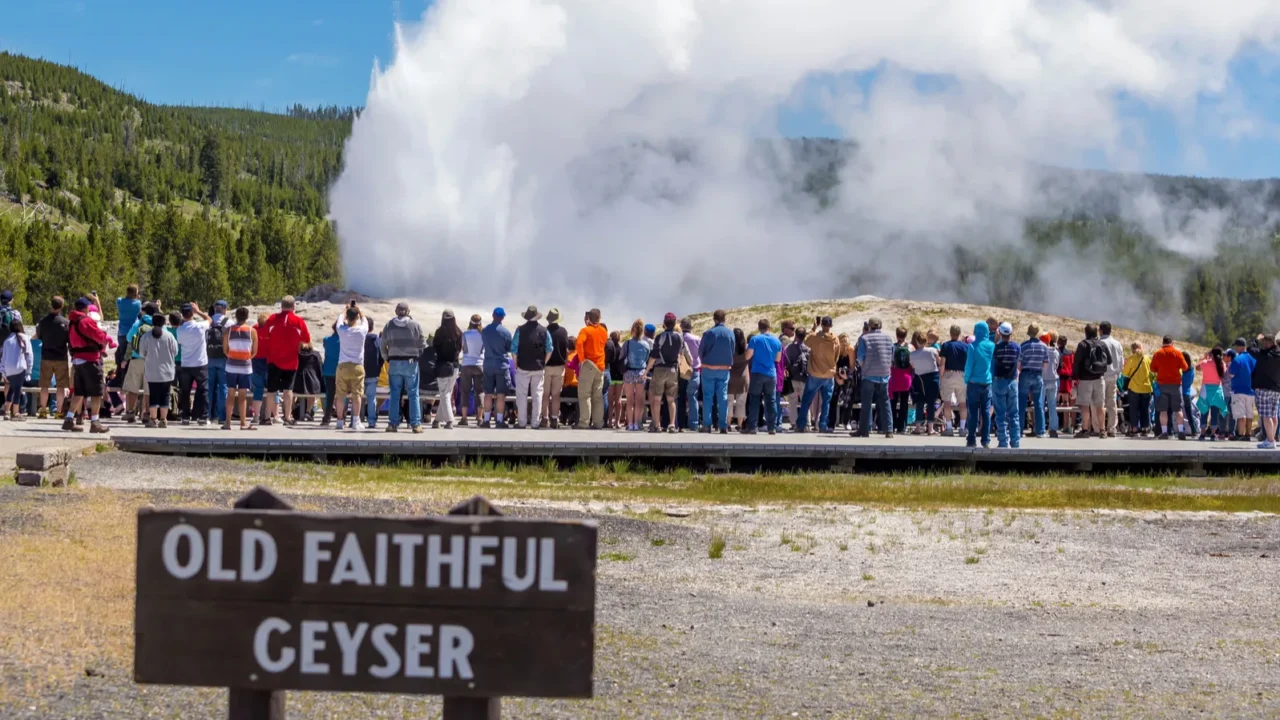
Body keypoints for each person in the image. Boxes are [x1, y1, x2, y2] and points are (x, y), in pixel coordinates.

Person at [64, 297, 113, 434]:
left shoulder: (72, 322)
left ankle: (68, 420)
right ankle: (95, 422)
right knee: (97, 392)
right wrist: (104, 335)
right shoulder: (85, 321)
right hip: (90, 360)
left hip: (77, 360)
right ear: (86, 308)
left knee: (79, 392)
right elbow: (100, 337)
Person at [261, 296, 311, 427]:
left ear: (281, 306)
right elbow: (306, 339)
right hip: (291, 361)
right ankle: (288, 417)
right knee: (288, 389)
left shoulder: (272, 319)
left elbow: (264, 335)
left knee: (271, 389)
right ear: (294, 307)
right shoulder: (298, 321)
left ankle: (267, 417)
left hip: (273, 359)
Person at [379, 302, 427, 433]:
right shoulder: (415, 325)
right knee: (413, 394)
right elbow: (423, 344)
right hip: (411, 363)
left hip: (394, 362)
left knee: (394, 394)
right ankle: (416, 424)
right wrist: (417, 356)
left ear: (396, 311)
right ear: (408, 311)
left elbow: (382, 345)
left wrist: (387, 358)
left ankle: (392, 424)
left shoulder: (389, 325)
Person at [793, 316, 838, 433]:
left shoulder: (815, 337)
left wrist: (813, 328)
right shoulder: (835, 340)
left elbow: (805, 341)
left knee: (807, 400)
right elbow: (836, 357)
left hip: (815, 373)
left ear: (822, 325)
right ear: (831, 326)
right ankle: (823, 425)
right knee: (826, 402)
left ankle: (801, 425)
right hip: (829, 374)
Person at [647, 313, 690, 433]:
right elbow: (681, 353)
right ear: (675, 323)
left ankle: (657, 425)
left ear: (664, 323)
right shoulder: (680, 337)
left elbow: (654, 356)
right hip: (673, 369)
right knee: (671, 399)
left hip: (660, 369)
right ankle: (672, 424)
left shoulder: (659, 337)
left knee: (657, 399)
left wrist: (646, 371)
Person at [510, 305, 551, 430]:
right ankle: (535, 422)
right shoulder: (544, 331)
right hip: (538, 367)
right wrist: (544, 362)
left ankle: (522, 422)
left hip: (523, 366)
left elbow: (514, 349)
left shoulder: (520, 330)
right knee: (537, 394)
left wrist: (515, 363)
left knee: (521, 395)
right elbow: (550, 349)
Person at [854, 318, 893, 438]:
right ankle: (889, 430)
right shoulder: (888, 338)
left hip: (869, 374)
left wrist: (860, 366)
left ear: (869, 326)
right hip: (884, 374)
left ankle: (864, 431)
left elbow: (860, 359)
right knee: (885, 401)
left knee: (866, 402)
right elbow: (891, 356)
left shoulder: (864, 338)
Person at [174, 302, 212, 426]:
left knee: (185, 391)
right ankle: (203, 416)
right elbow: (209, 320)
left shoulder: (180, 330)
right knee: (203, 390)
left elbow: (179, 342)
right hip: (200, 362)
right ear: (192, 313)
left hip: (186, 363)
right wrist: (199, 311)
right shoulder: (199, 326)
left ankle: (185, 416)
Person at [138, 314, 178, 429]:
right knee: (165, 396)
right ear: (164, 323)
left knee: (153, 395)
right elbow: (175, 352)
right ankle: (163, 420)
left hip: (152, 371)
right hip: (167, 371)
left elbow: (142, 353)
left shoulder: (146, 336)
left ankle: (153, 419)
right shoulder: (169, 336)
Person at [34, 296, 71, 419]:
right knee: (60, 386)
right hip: (61, 357)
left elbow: (39, 336)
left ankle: (43, 410)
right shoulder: (65, 323)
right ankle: (59, 412)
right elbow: (68, 340)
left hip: (46, 356)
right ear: (61, 307)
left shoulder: (43, 322)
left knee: (44, 386)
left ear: (51, 305)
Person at [221, 307, 258, 431]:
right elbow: (254, 351)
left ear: (236, 316)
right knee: (243, 396)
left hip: (231, 365)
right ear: (247, 317)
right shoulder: (252, 331)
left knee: (230, 394)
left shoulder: (229, 330)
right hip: (245, 366)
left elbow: (225, 349)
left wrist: (232, 356)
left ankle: (227, 423)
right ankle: (243, 423)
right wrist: (245, 357)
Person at [1072, 324, 1112, 439]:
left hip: (1085, 380)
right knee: (1100, 406)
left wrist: (1075, 378)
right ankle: (1102, 431)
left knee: (1085, 406)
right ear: (1096, 333)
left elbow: (1077, 363)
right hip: (1099, 379)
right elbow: (1109, 360)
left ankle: (1085, 430)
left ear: (1086, 333)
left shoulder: (1082, 345)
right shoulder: (1102, 344)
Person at [744, 319, 782, 435]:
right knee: (771, 400)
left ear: (759, 327)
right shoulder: (777, 341)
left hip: (757, 372)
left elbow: (747, 356)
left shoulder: (755, 339)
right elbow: (778, 359)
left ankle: (753, 427)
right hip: (771, 374)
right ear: (769, 327)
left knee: (755, 399)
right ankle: (772, 427)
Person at [122, 302, 159, 422]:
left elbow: (128, 338)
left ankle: (130, 412)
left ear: (145, 311)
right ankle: (147, 414)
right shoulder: (158, 323)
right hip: (152, 360)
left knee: (133, 387)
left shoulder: (139, 322)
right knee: (149, 389)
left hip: (136, 358)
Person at [1149, 335, 1189, 440]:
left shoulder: (1157, 353)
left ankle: (1164, 433)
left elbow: (1152, 369)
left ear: (1163, 343)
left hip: (1162, 385)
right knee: (1178, 409)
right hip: (1176, 385)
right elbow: (1185, 367)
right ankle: (1180, 431)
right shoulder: (1178, 353)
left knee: (1163, 410)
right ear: (1172, 343)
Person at [575, 309, 608, 430]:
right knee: (598, 396)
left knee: (584, 395)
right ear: (600, 318)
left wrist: (582, 359)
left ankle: (584, 423)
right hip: (600, 366)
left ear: (589, 317)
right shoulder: (603, 331)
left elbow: (579, 343)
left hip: (589, 364)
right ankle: (598, 423)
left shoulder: (585, 330)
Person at [964, 321, 995, 448]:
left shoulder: (972, 346)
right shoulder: (992, 346)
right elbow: (992, 365)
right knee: (986, 412)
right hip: (987, 383)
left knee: (973, 412)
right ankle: (986, 440)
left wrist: (966, 379)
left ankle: (971, 439)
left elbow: (969, 365)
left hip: (973, 383)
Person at [991, 322, 1022, 449]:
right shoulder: (1016, 347)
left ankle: (1003, 441)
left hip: (999, 381)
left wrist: (996, 339)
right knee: (1014, 413)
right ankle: (1015, 442)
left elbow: (992, 358)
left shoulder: (996, 348)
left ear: (1000, 333)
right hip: (1013, 381)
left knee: (1000, 414)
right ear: (1011, 333)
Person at [1247, 333, 1280, 449]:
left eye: (1266, 342)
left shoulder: (1263, 355)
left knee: (1266, 416)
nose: (1264, 344)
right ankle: (1272, 438)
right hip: (1276, 389)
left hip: (1263, 389)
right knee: (1274, 415)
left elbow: (1250, 349)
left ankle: (1270, 440)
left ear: (1270, 342)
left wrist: (1256, 340)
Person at [538, 309, 569, 428]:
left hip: (546, 366)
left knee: (545, 394)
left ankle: (545, 418)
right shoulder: (563, 331)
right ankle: (555, 418)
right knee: (556, 395)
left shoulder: (544, 331)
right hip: (560, 366)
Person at [432, 310, 462, 429]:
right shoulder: (459, 332)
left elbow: (435, 348)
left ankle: (450, 420)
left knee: (444, 394)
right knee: (446, 393)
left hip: (442, 367)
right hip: (454, 366)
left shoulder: (439, 333)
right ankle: (437, 420)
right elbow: (460, 349)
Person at [1016, 323, 1048, 438]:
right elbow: (1045, 365)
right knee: (1038, 403)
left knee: (1021, 403)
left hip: (1025, 373)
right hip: (1037, 374)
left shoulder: (1023, 346)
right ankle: (1040, 431)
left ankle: (1018, 430)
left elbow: (1018, 364)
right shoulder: (1044, 346)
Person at [620, 319, 652, 431]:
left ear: (632, 330)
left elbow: (621, 356)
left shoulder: (627, 343)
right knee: (639, 400)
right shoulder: (646, 345)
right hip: (641, 372)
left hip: (629, 372)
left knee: (629, 400)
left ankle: (630, 424)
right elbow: (647, 359)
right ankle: (637, 424)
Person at [908, 330, 941, 435]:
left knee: (919, 403)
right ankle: (930, 428)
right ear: (926, 341)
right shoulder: (933, 350)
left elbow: (913, 366)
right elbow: (939, 362)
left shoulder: (912, 354)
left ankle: (918, 427)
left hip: (919, 378)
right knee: (931, 403)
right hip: (932, 377)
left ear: (917, 342)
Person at [938, 325, 968, 436]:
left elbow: (942, 363)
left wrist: (941, 377)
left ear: (950, 333)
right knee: (963, 403)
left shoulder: (946, 345)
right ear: (959, 333)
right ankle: (962, 428)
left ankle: (949, 428)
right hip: (962, 375)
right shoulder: (966, 346)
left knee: (947, 402)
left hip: (949, 374)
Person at [1, 319, 33, 420]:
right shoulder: (25, 338)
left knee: (11, 389)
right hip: (20, 367)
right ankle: (15, 412)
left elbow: (3, 357)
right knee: (17, 390)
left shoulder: (7, 340)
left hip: (8, 369)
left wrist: (3, 371)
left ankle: (6, 411)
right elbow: (29, 355)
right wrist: (29, 370)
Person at [1227, 338, 1256, 441]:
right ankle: (1247, 435)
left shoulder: (1237, 359)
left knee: (1241, 415)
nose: (1235, 348)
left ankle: (1239, 434)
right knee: (1249, 414)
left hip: (1238, 390)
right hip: (1251, 391)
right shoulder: (1253, 358)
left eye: (1236, 346)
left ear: (1240, 347)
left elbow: (1231, 374)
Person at [1098, 321, 1125, 436]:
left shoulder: (1099, 343)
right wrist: (1118, 373)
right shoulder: (1117, 344)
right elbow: (1121, 361)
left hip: (1101, 376)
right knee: (1112, 402)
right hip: (1113, 376)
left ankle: (1099, 427)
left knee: (1100, 403)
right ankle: (1112, 428)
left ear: (1101, 331)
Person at [1197, 346, 1228, 441]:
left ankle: (1202, 433)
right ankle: (1213, 434)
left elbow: (1197, 367)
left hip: (1206, 389)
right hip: (1217, 391)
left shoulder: (1205, 363)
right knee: (1215, 413)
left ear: (1212, 354)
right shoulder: (1222, 364)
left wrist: (1205, 357)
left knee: (1204, 411)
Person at [1121, 342, 1153, 437]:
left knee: (1134, 409)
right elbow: (1152, 372)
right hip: (1146, 388)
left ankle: (1134, 429)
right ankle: (1145, 428)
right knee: (1145, 409)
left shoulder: (1131, 359)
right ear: (1141, 347)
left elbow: (1125, 373)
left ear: (1132, 349)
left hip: (1134, 388)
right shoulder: (1147, 359)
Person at [458, 314, 485, 426]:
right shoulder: (483, 335)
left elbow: (462, 348)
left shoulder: (465, 334)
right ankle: (479, 417)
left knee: (465, 391)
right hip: (480, 364)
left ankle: (464, 418)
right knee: (479, 391)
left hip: (466, 364)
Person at [206, 299, 230, 425]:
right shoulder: (229, 322)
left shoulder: (208, 321)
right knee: (223, 387)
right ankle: (222, 417)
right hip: (223, 358)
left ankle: (209, 415)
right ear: (225, 309)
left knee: (209, 387)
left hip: (209, 357)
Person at [888, 327, 913, 434]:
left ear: (896, 335)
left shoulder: (893, 347)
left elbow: (890, 361)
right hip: (906, 377)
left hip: (895, 375)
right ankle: (902, 427)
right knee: (904, 402)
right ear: (906, 335)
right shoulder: (910, 347)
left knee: (893, 402)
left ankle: (892, 425)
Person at [679, 317, 702, 432]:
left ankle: (679, 423)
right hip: (694, 369)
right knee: (693, 397)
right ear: (691, 327)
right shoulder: (697, 339)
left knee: (680, 397)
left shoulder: (679, 338)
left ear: (681, 327)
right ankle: (694, 424)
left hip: (681, 371)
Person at [1040, 332, 1061, 438]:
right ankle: (1053, 429)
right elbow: (1057, 365)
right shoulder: (1056, 352)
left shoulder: (1042, 351)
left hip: (1043, 379)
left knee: (1041, 405)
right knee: (1052, 405)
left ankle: (1042, 428)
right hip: (1053, 379)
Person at [362, 318, 382, 429]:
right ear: (372, 327)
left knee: (357, 397)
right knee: (371, 398)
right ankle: (371, 421)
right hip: (373, 373)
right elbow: (383, 356)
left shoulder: (359, 338)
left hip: (359, 372)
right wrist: (378, 368)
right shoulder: (377, 340)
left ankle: (354, 420)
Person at [320, 322, 341, 426]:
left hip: (328, 370)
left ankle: (326, 417)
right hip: (340, 370)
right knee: (342, 395)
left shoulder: (326, 339)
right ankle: (341, 417)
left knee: (330, 395)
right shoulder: (344, 341)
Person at [729, 329, 750, 431]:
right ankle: (740, 425)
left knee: (728, 401)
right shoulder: (746, 348)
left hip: (731, 377)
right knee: (741, 403)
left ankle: (727, 424)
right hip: (743, 377)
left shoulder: (730, 348)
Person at [606, 330, 625, 429]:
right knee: (618, 400)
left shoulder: (609, 348)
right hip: (620, 377)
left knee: (610, 401)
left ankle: (610, 421)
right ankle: (617, 422)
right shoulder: (621, 349)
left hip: (611, 375)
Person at [1180, 351, 1200, 437]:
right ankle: (1194, 430)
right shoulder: (1191, 369)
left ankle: (1174, 429)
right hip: (1187, 392)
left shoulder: (1181, 370)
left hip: (1180, 392)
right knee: (1189, 414)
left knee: (1177, 412)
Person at [115, 285, 141, 351]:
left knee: (122, 353)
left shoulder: (119, 301)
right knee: (132, 354)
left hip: (122, 331)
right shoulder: (138, 303)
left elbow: (121, 301)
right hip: (133, 331)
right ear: (135, 293)